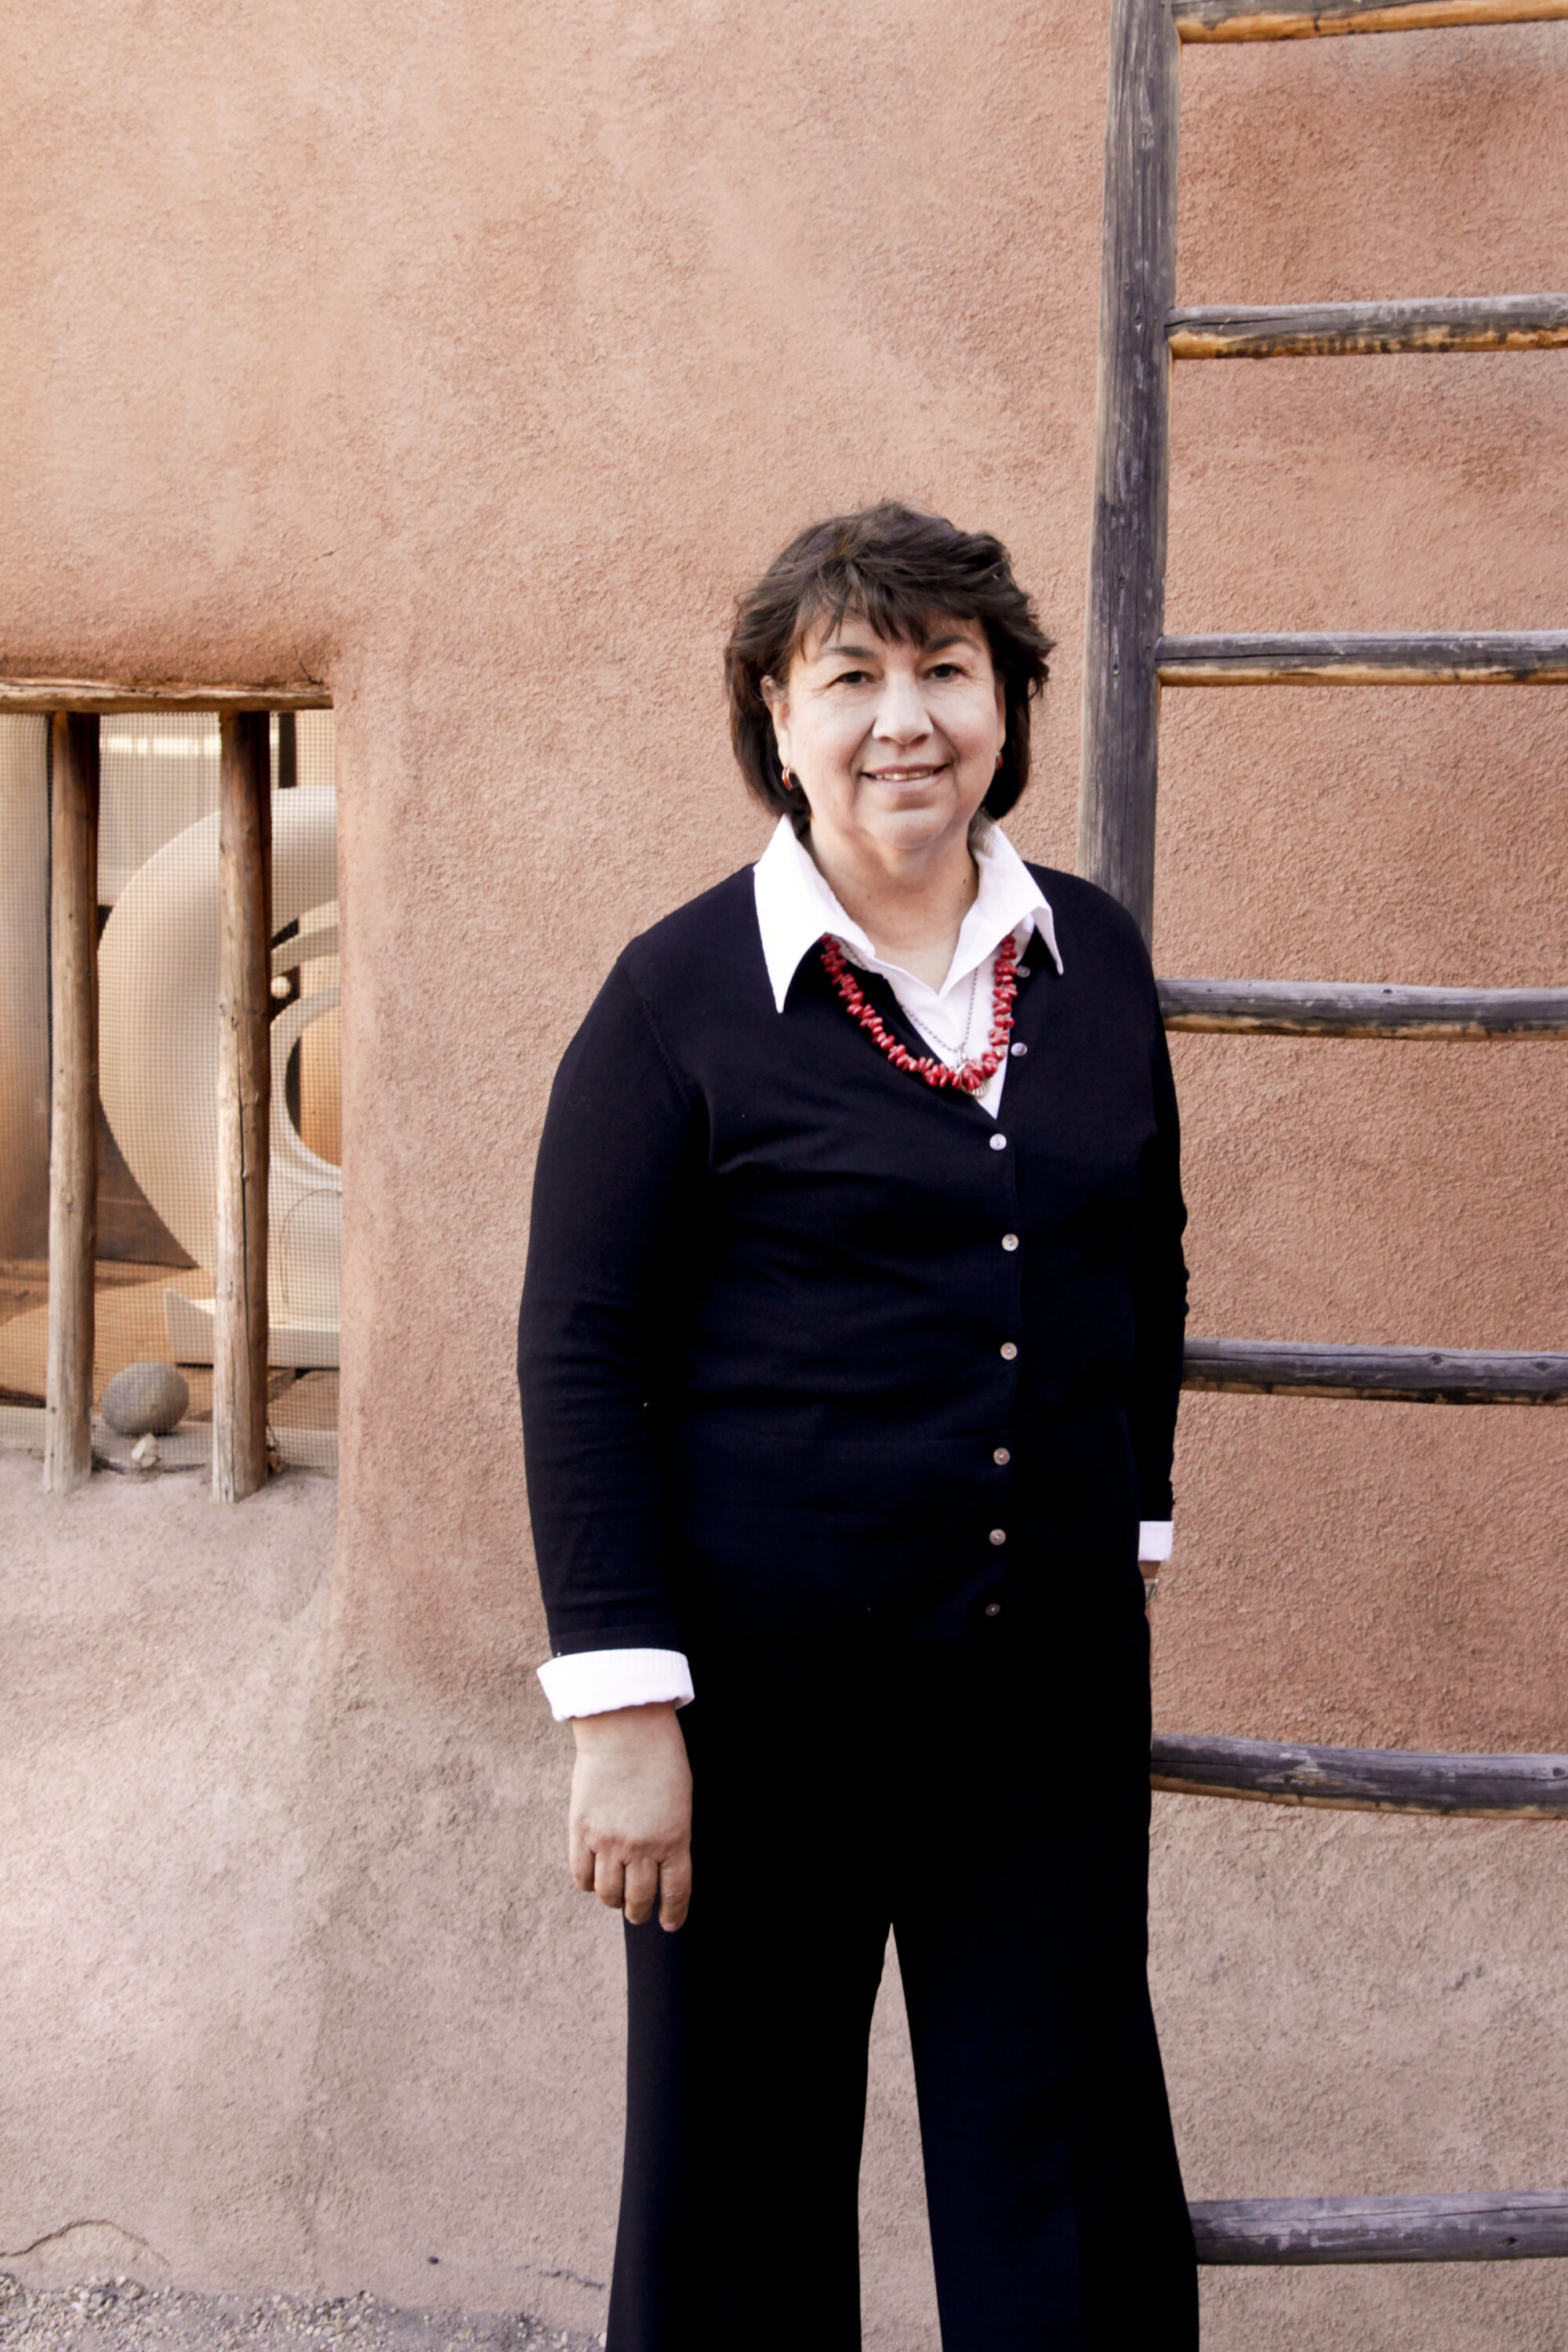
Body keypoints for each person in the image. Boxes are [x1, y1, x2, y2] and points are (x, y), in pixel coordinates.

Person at [517, 502, 1197, 2351]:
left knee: (1056, 2177)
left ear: (1007, 704)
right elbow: (578, 1351)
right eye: (852, 677)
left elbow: (1147, 1253)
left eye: (946, 671)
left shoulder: (1097, 964)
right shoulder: (673, 1002)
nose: (904, 719)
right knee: (734, 2188)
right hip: (756, 1713)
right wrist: (624, 1708)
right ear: (776, 709)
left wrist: (1119, 1526)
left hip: (1038, 1699)